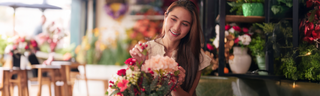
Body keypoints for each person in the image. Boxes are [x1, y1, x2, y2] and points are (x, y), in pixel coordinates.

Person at [129, 0, 211, 96]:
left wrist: (174, 85)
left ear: (190, 28)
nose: (176, 28)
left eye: (184, 24)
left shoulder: (197, 57)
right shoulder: (145, 50)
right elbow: (131, 90)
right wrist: (139, 66)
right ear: (165, 16)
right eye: (174, 19)